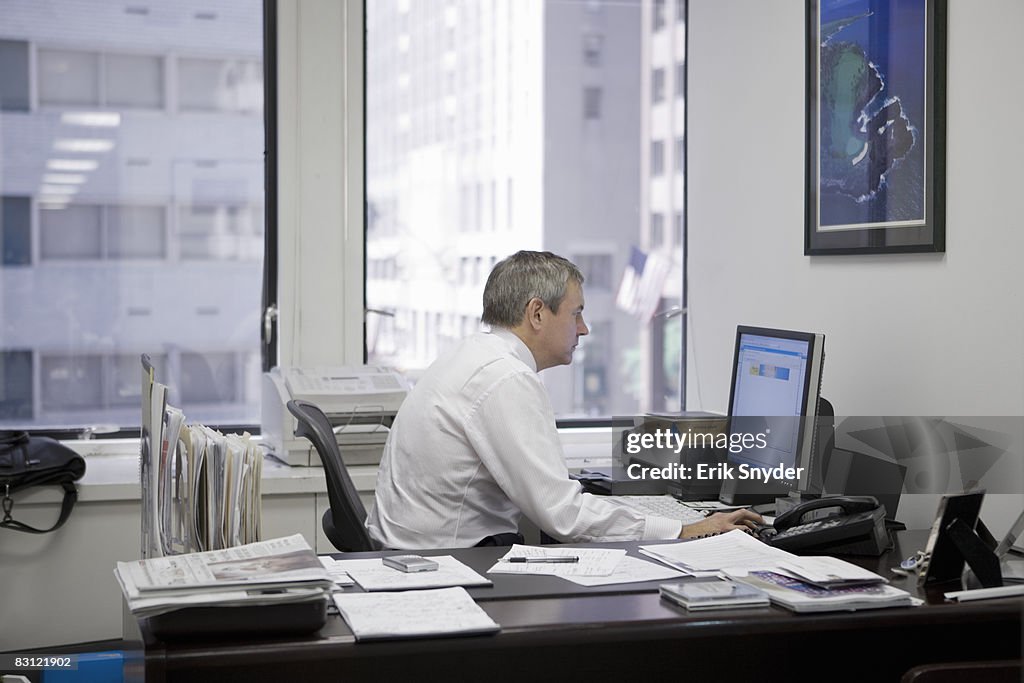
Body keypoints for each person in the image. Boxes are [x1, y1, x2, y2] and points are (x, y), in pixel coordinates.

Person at [365, 250, 761, 549]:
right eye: (576, 314)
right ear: (537, 313)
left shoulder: (474, 353)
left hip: (417, 550)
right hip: (448, 562)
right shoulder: (506, 378)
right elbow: (563, 516)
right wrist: (685, 528)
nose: (585, 329)